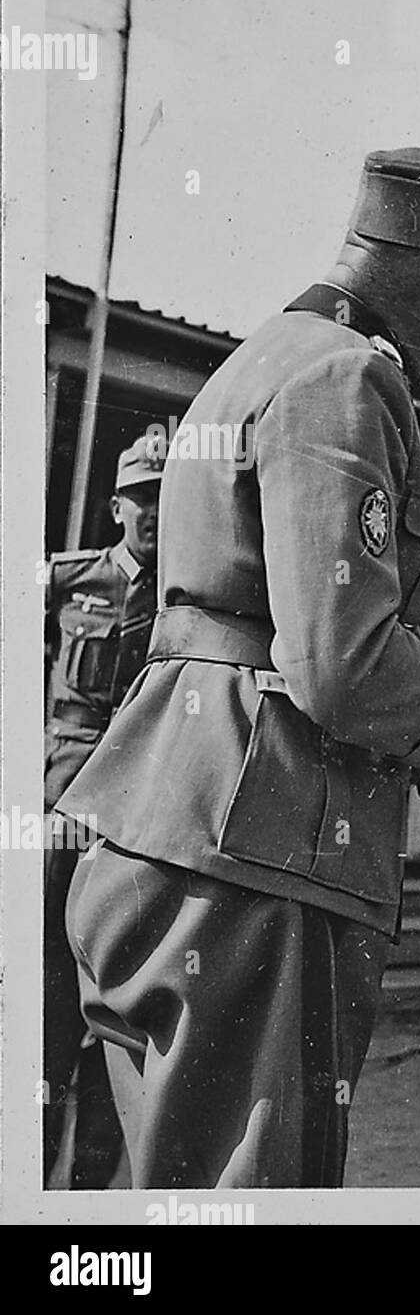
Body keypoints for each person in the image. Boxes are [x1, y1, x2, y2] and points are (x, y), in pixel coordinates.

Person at [56, 148, 420, 1188]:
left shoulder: (258, 361)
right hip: (260, 856)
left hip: (175, 828)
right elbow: (342, 663)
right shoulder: (344, 375)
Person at [43, 435, 163, 1188]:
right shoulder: (65, 580)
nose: (153, 510)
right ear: (115, 504)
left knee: (119, 1018)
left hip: (139, 830)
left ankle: (87, 1200)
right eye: (140, 495)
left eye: (165, 494)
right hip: (59, 820)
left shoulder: (193, 595)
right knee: (47, 1011)